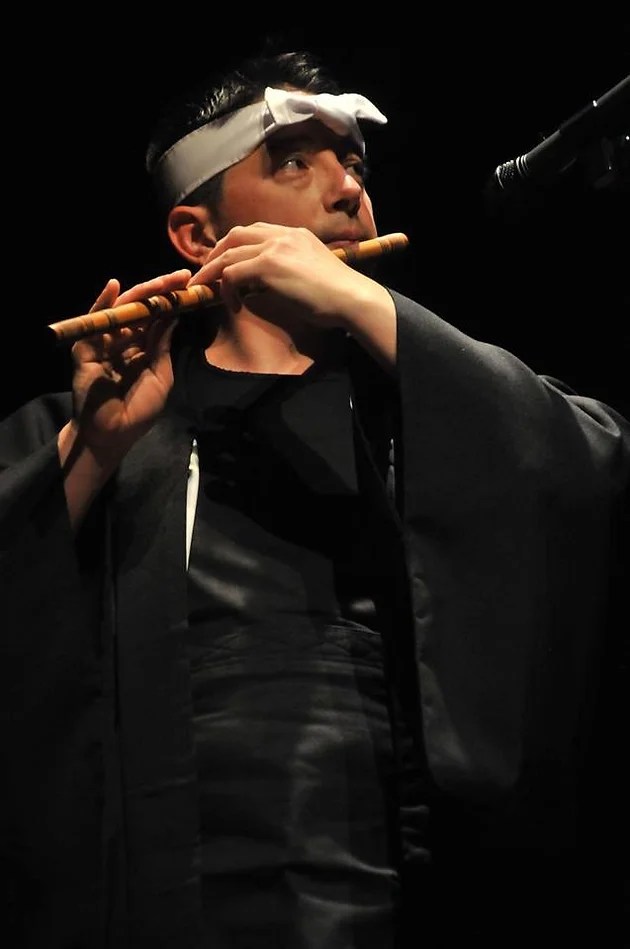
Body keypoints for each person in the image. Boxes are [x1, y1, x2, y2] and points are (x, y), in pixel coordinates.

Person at [1, 46, 628, 949]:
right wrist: (89, 453)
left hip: (404, 889)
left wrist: (375, 311)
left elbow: (584, 468)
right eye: (295, 161)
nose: (346, 191)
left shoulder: (426, 404)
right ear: (197, 236)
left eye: (357, 165)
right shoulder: (97, 426)